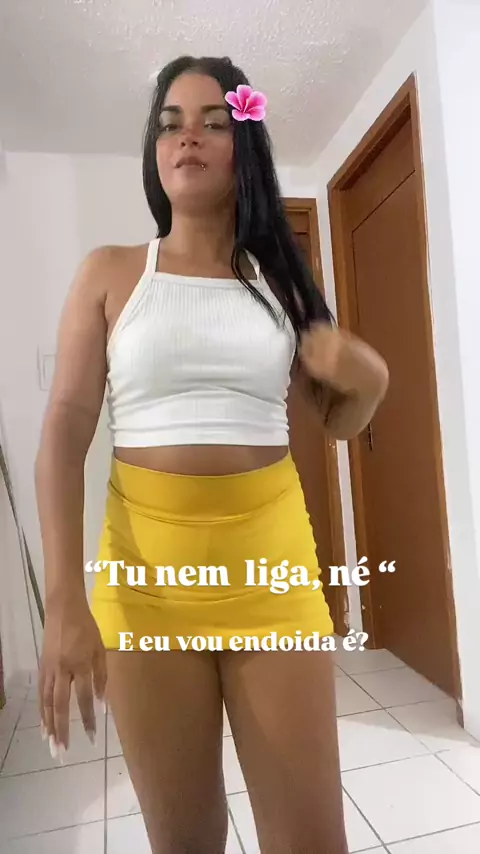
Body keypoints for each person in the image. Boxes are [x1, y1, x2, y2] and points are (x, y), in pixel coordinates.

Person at [35, 55, 388, 854]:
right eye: (170, 124)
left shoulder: (283, 284)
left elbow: (338, 420)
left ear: (244, 146)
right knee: (186, 838)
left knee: (311, 842)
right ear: (155, 151)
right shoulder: (110, 273)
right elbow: (64, 428)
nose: (186, 137)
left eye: (212, 122)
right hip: (145, 583)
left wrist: (371, 377)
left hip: (273, 569)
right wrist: (62, 598)